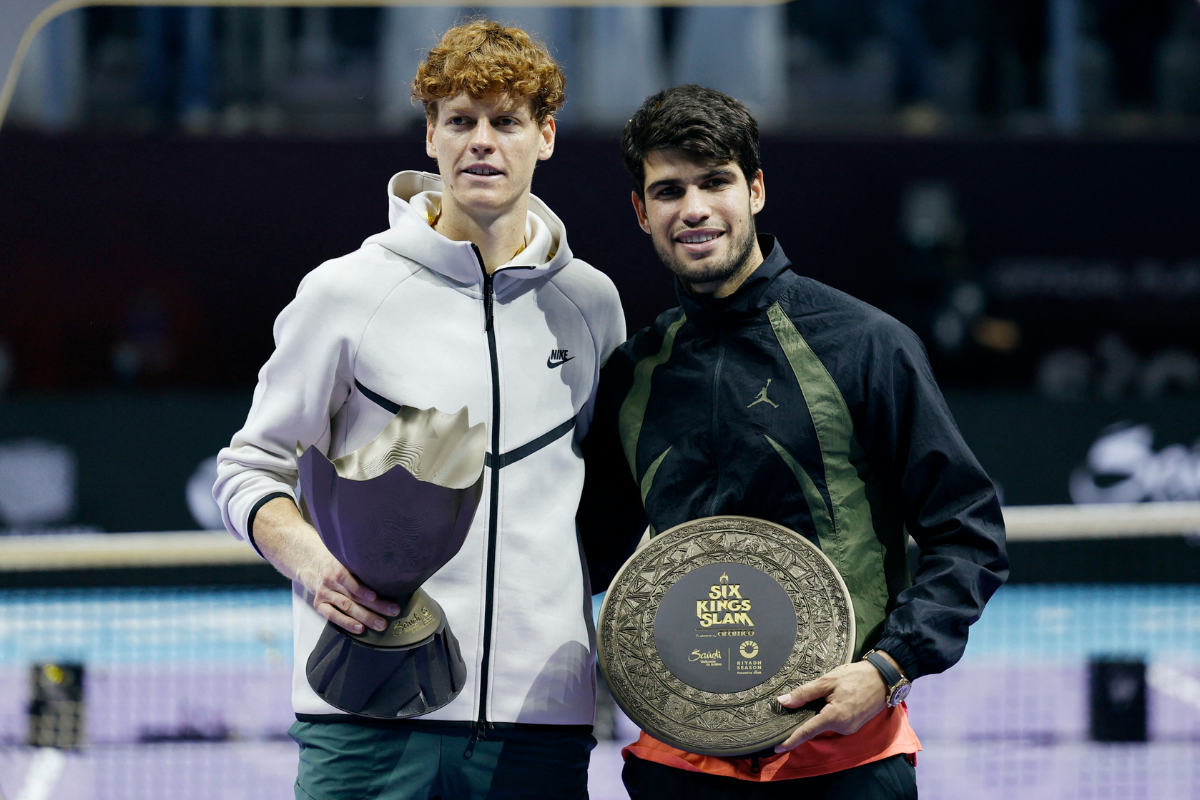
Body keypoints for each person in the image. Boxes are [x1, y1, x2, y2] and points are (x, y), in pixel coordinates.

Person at [213, 19, 624, 799]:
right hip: (365, 718)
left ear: (546, 136)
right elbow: (247, 467)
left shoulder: (591, 305)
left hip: (539, 727)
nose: (482, 142)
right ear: (430, 135)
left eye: (505, 122)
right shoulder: (347, 292)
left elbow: (601, 500)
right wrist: (315, 566)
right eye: (461, 120)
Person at [578, 84, 1008, 798]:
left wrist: (889, 668)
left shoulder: (866, 346)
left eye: (715, 182)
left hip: (843, 762)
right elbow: (585, 555)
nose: (693, 209)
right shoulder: (634, 374)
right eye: (668, 190)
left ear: (755, 190)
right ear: (640, 211)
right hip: (676, 768)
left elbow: (968, 532)